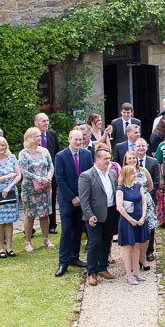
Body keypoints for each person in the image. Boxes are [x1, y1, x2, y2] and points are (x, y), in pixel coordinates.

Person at [54, 130, 93, 276]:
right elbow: (60, 179)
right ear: (69, 139)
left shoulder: (87, 154)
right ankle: (63, 262)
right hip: (67, 200)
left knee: (78, 229)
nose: (78, 142)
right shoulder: (61, 156)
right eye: (75, 140)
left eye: (81, 140)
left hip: (82, 199)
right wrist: (72, 197)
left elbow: (89, 175)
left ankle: (74, 257)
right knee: (66, 231)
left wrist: (83, 197)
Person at [78, 148, 119, 286]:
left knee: (106, 241)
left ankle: (102, 267)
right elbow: (84, 199)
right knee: (94, 243)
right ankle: (92, 272)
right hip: (94, 215)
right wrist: (89, 215)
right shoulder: (87, 175)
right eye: (106, 158)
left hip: (111, 212)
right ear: (97, 160)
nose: (109, 161)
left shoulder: (112, 173)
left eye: (109, 158)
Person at [19, 127, 54, 252]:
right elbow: (24, 171)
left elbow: (51, 166)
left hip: (45, 188)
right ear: (29, 138)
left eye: (40, 136)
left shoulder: (44, 151)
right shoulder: (24, 153)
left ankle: (46, 239)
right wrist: (39, 178)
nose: (40, 138)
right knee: (30, 215)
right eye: (37, 136)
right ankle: (28, 242)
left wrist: (48, 178)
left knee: (44, 214)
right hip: (30, 189)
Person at [0, 136, 21, 259]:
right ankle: (1, 249)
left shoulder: (11, 158)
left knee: (9, 221)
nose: (1, 148)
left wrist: (9, 186)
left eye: (3, 145)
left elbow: (18, 175)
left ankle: (9, 248)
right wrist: (6, 177)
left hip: (10, 192)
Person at [115, 164, 148, 285]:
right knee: (128, 246)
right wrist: (130, 220)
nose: (135, 175)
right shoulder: (120, 188)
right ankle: (128, 274)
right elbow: (119, 207)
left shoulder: (138, 186)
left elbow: (143, 202)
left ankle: (136, 272)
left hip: (139, 218)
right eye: (133, 173)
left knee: (138, 245)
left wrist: (143, 216)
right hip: (127, 220)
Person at [34, 113, 61, 234]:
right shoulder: (30, 135)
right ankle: (30, 227)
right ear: (36, 123)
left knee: (51, 198)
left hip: (51, 173)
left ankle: (52, 225)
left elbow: (57, 152)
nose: (46, 123)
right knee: (35, 200)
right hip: (36, 175)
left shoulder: (52, 134)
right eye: (43, 121)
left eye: (47, 120)